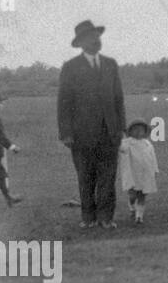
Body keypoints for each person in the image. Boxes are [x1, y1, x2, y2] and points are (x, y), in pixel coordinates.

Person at [57, 20, 126, 229]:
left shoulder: (110, 64)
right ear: (81, 43)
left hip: (110, 133)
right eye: (91, 37)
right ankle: (88, 218)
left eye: (98, 36)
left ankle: (106, 218)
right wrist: (66, 133)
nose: (96, 41)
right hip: (81, 134)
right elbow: (64, 102)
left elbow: (118, 99)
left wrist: (121, 128)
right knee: (86, 177)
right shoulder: (70, 68)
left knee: (108, 176)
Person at [117, 119, 159, 224]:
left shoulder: (148, 144)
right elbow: (121, 148)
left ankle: (139, 216)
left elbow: (152, 158)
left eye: (141, 130)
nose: (138, 132)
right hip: (133, 174)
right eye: (135, 130)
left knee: (142, 195)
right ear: (130, 132)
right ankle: (131, 205)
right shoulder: (127, 143)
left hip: (145, 174)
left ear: (145, 132)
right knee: (133, 195)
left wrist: (154, 170)